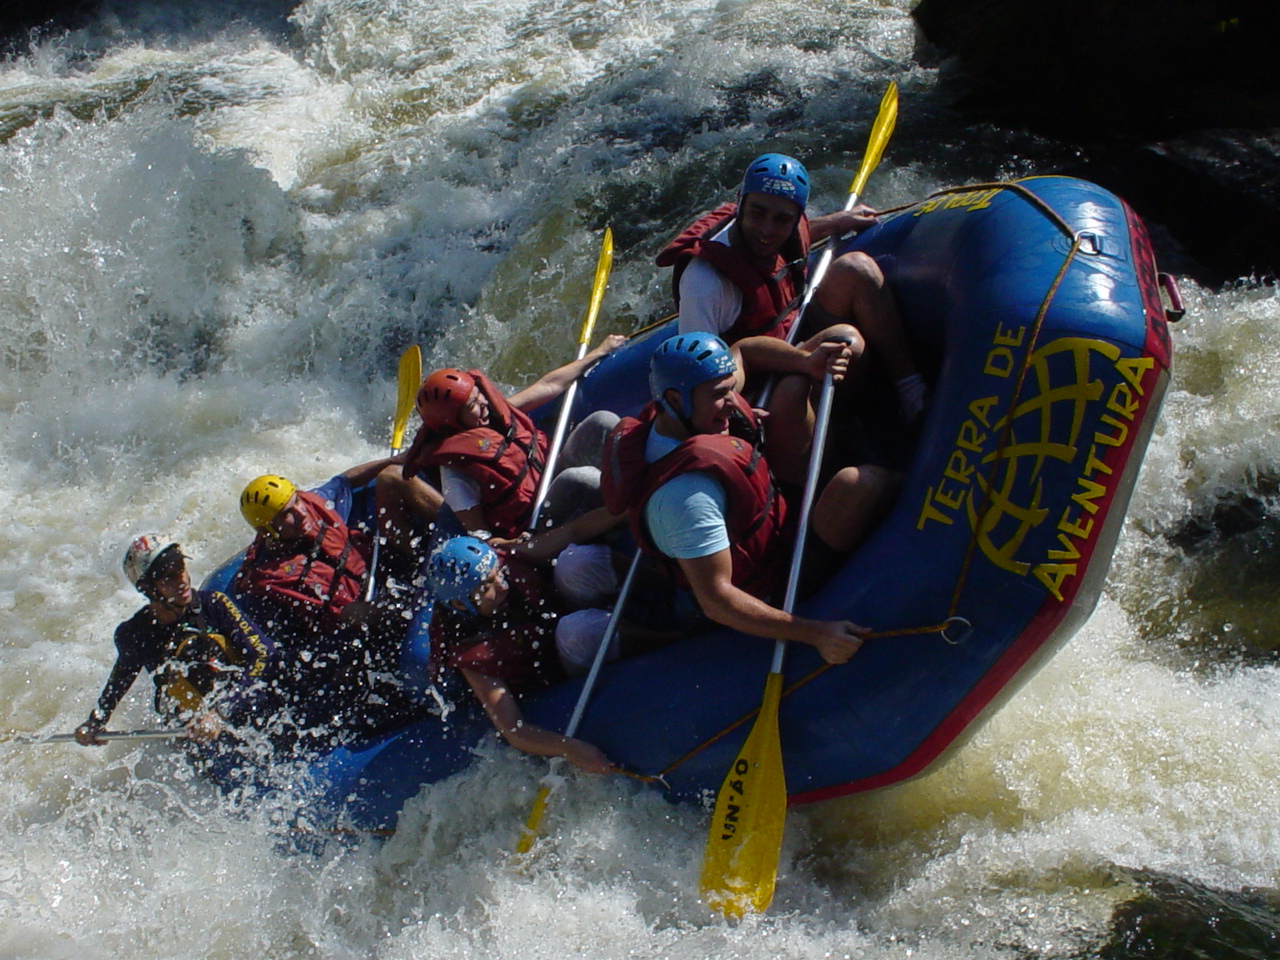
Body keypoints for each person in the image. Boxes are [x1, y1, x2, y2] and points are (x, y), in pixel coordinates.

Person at [601, 332, 899, 666]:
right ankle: (910, 475)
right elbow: (717, 600)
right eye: (719, 395)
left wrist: (805, 361)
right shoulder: (685, 497)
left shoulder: (680, 409)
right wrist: (816, 633)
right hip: (771, 576)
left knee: (794, 387)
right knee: (859, 485)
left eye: (731, 388)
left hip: (769, 510)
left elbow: (743, 351)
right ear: (673, 399)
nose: (731, 401)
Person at [658, 152, 928, 423]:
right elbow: (699, 372)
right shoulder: (705, 281)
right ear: (740, 203)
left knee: (856, 269)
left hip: (794, 330)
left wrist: (839, 221)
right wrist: (738, 409)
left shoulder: (784, 222)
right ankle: (858, 426)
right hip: (753, 377)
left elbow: (799, 233)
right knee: (841, 344)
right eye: (758, 213)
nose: (767, 230)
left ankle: (910, 388)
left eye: (782, 219)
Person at [424, 507, 670, 775]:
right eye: (487, 587)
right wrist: (569, 748)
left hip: (557, 618)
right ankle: (675, 641)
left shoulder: (503, 561)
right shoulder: (468, 651)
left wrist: (628, 508)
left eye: (498, 574)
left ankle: (670, 583)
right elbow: (514, 731)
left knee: (576, 561)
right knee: (578, 630)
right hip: (560, 667)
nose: (502, 586)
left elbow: (574, 530)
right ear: (461, 604)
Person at [401, 334, 627, 540]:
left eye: (478, 395)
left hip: (547, 474)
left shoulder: (493, 414)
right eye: (472, 405)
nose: (483, 403)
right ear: (452, 421)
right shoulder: (455, 475)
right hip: (536, 523)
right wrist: (516, 545)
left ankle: (632, 482)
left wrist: (598, 351)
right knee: (578, 478)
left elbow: (549, 385)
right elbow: (481, 536)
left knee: (602, 422)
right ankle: (629, 511)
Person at [76, 534, 283, 748]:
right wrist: (95, 722)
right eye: (169, 577)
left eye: (181, 568)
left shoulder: (214, 605)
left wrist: (221, 711)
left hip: (239, 707)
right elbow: (119, 681)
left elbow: (265, 655)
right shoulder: (135, 634)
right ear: (148, 589)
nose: (182, 580)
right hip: (192, 727)